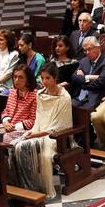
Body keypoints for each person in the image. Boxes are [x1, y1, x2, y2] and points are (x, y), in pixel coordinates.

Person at [9, 65, 73, 198]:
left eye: (48, 78)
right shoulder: (40, 94)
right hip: (38, 131)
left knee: (22, 147)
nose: (44, 82)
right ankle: (18, 186)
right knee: (12, 146)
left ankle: (31, 189)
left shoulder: (64, 97)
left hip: (54, 137)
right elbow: (38, 118)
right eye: (42, 78)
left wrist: (37, 135)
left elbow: (60, 126)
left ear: (55, 78)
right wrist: (32, 132)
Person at [0, 65, 39, 143]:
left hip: (22, 130)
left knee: (2, 139)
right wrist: (6, 122)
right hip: (7, 126)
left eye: (21, 77)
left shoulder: (35, 95)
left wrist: (13, 127)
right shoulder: (12, 91)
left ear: (28, 80)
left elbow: (32, 120)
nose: (16, 80)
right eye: (15, 77)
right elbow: (6, 111)